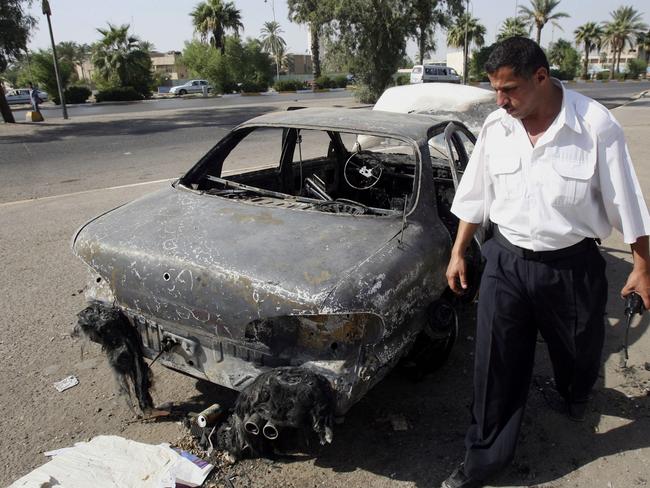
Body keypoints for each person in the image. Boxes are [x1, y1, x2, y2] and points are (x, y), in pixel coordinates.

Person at [442, 36, 650, 488]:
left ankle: (575, 394)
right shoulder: (497, 128)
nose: (501, 101)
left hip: (571, 265)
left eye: (510, 89)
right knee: (494, 366)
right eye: (495, 89)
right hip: (507, 261)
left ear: (541, 77)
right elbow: (474, 196)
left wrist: (642, 266)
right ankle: (483, 460)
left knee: (578, 350)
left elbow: (627, 204)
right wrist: (459, 252)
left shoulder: (596, 126)